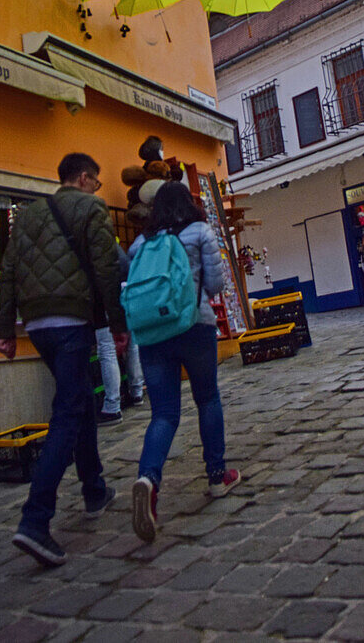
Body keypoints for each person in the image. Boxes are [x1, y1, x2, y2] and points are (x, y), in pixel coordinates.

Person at [0, 153, 128, 568]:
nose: (97, 189)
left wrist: (4, 330)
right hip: (72, 319)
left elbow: (8, 270)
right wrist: (118, 323)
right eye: (97, 182)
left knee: (81, 398)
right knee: (68, 412)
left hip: (37, 325)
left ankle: (94, 489)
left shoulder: (30, 214)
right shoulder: (90, 207)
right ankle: (35, 519)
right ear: (85, 178)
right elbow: (107, 268)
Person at [127, 181, 240, 543]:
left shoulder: (141, 244)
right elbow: (217, 286)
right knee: (207, 399)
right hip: (194, 326)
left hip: (153, 334)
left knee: (163, 413)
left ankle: (148, 478)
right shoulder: (200, 232)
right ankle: (217, 476)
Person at [95, 241, 129, 427]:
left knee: (107, 350)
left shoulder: (95, 246)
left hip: (104, 303)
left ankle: (112, 405)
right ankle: (136, 390)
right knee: (131, 346)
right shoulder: (113, 246)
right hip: (120, 298)